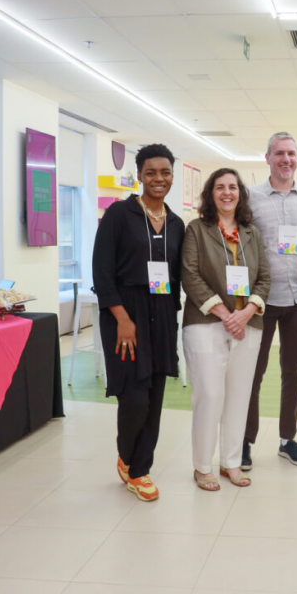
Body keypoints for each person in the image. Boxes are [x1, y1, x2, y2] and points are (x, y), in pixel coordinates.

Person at [92, 144, 185, 502]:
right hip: (124, 314)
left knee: (155, 397)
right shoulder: (119, 215)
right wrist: (121, 319)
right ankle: (129, 457)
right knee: (134, 398)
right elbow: (102, 271)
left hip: (161, 315)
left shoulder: (176, 223)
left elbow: (179, 275)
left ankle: (139, 468)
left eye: (164, 172)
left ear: (172, 176)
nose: (158, 179)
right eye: (151, 172)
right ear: (139, 175)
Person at [243, 131, 297, 470]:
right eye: (278, 153)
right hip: (261, 300)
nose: (285, 159)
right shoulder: (249, 198)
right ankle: (245, 440)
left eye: (291, 153)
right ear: (267, 158)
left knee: (293, 372)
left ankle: (287, 439)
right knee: (253, 372)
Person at [181, 168, 270, 491]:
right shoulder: (197, 230)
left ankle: (230, 462)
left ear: (241, 194)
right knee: (210, 394)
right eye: (220, 187)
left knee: (238, 395)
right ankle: (202, 465)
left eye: (233, 187)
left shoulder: (252, 233)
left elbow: (265, 278)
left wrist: (245, 313)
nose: (227, 193)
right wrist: (225, 313)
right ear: (210, 194)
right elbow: (190, 275)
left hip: (248, 325)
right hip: (205, 324)